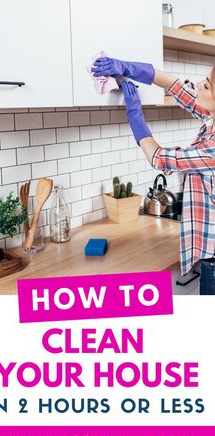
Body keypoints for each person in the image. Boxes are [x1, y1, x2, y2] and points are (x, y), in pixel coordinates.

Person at [92, 57, 215, 295]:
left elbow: (159, 157)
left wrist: (134, 115)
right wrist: (128, 67)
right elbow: (178, 87)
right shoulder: (211, 118)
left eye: (207, 85)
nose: (199, 84)